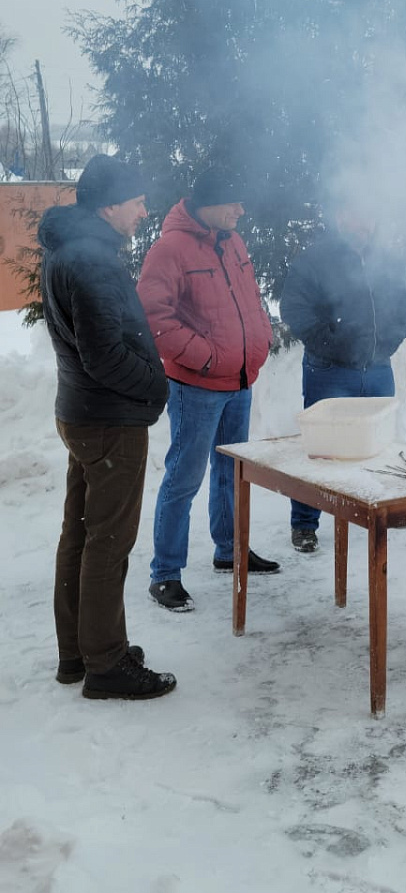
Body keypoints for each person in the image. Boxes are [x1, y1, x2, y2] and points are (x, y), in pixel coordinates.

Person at [38, 154, 177, 700]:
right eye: (138, 200)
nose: (145, 210)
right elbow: (102, 355)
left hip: (81, 412)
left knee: (80, 534)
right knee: (107, 542)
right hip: (109, 419)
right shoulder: (92, 261)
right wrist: (156, 384)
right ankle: (106, 663)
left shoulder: (67, 252)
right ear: (110, 204)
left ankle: (78, 650)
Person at [138, 165, 278, 611]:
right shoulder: (169, 250)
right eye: (234, 202)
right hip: (196, 386)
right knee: (184, 477)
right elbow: (154, 318)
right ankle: (165, 573)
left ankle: (230, 551)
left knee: (233, 472)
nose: (241, 210)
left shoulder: (232, 240)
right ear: (209, 205)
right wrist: (205, 356)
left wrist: (262, 337)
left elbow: (251, 299)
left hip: (239, 381)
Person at [280, 209, 406, 552]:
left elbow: (404, 303)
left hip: (378, 367)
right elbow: (295, 310)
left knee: (380, 443)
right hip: (329, 370)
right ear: (341, 217)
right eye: (356, 215)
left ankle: (376, 507)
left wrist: (393, 338)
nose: (363, 223)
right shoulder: (316, 258)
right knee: (320, 450)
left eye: (368, 216)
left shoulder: (387, 260)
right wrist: (332, 342)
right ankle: (305, 524)